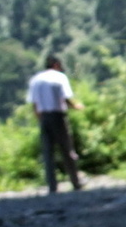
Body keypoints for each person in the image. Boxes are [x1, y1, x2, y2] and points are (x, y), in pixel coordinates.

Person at [27, 55, 85, 193]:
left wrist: (40, 118)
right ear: (56, 64)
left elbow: (34, 104)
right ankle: (75, 181)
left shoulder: (36, 79)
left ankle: (52, 186)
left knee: (48, 152)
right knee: (67, 149)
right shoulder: (59, 77)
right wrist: (76, 106)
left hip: (44, 117)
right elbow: (65, 98)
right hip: (58, 116)